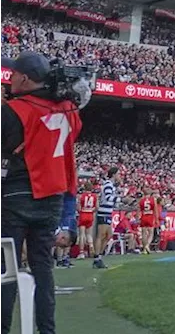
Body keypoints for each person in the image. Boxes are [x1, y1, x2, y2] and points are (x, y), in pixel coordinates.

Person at [0, 51, 84, 334]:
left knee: (7, 270)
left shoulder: (15, 110)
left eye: (13, 75)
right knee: (43, 269)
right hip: (52, 197)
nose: (10, 79)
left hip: (18, 195)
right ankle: (47, 330)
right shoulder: (68, 110)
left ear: (24, 78)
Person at [93, 167, 119, 269]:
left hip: (107, 212)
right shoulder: (108, 184)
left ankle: (99, 256)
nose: (119, 176)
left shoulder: (110, 185)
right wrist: (120, 199)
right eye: (118, 174)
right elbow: (108, 197)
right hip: (104, 212)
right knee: (101, 235)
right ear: (114, 174)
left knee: (108, 235)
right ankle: (97, 258)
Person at [76, 178, 97, 261]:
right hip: (90, 214)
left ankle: (81, 252)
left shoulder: (82, 196)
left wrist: (81, 210)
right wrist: (91, 211)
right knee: (89, 234)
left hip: (83, 214)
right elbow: (96, 207)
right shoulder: (95, 196)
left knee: (82, 234)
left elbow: (78, 207)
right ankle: (91, 246)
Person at [137, 189, 158, 255]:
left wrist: (138, 218)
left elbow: (138, 210)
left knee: (144, 233)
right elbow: (155, 210)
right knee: (151, 232)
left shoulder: (141, 200)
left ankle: (144, 249)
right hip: (150, 216)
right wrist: (156, 219)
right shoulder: (153, 200)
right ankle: (147, 245)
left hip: (143, 216)